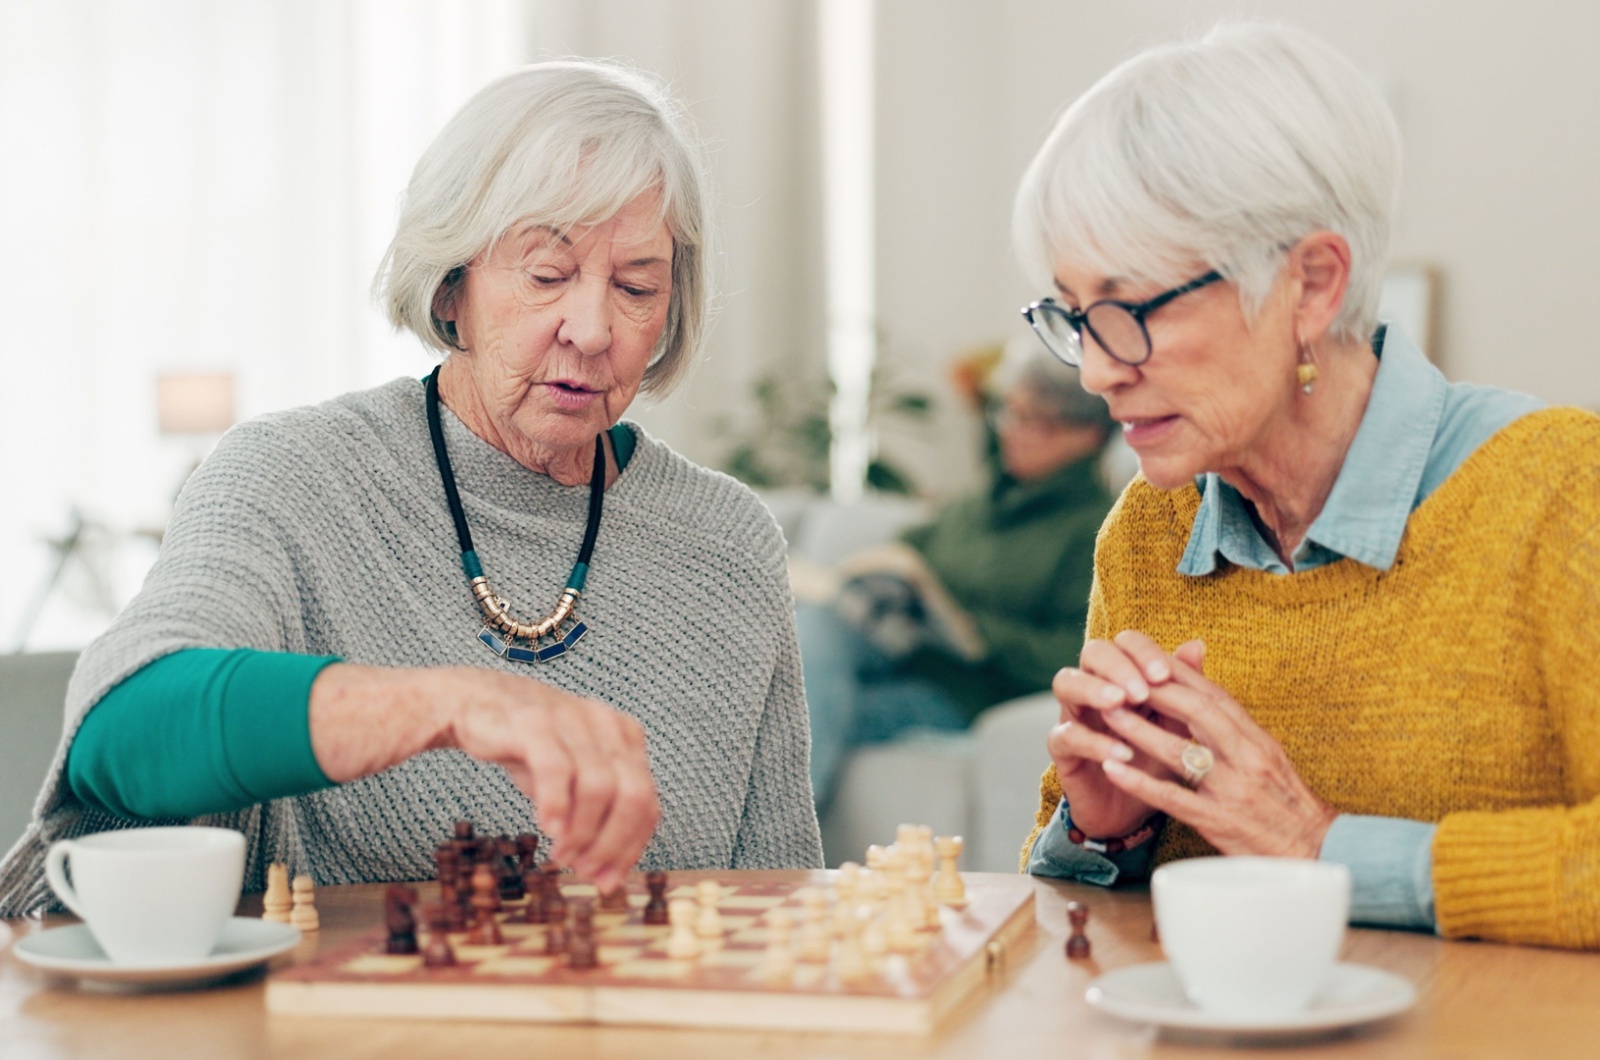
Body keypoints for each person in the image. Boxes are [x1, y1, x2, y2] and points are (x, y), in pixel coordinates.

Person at [0, 60, 821, 916]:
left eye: (636, 287)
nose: (591, 328)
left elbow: (785, 907)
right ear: (451, 284)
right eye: (547, 273)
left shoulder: (727, 544)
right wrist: (450, 702)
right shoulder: (291, 477)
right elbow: (123, 734)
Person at [1016, 24, 1600, 949]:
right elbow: (1082, 932)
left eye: (1129, 311)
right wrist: (1108, 828)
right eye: (1075, 315)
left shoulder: (1561, 489)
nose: (1094, 371)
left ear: (1313, 286)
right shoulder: (1148, 531)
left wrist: (1321, 845)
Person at [801, 344, 1116, 811]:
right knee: (809, 626)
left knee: (791, 714)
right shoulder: (979, 503)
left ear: (1088, 435)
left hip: (957, 693)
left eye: (1037, 422)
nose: (1013, 433)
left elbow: (1075, 653)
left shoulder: (1095, 528)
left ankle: (766, 857)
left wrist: (976, 632)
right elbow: (907, 552)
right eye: (1009, 413)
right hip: (894, 654)